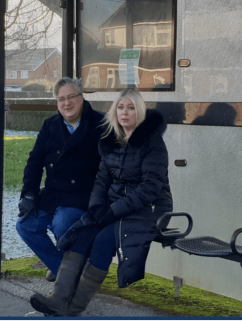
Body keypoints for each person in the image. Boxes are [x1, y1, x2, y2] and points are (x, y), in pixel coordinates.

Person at [29, 88, 173, 316]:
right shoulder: (111, 141)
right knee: (83, 233)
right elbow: (102, 178)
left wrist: (113, 210)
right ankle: (58, 299)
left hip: (149, 210)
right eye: (120, 107)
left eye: (131, 108)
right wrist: (97, 205)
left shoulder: (153, 144)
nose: (125, 113)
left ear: (140, 112)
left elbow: (150, 189)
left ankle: (73, 308)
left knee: (103, 240)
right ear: (115, 112)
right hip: (116, 208)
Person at [16, 77, 104, 282]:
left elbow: (108, 168)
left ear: (81, 98)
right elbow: (34, 162)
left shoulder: (99, 125)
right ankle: (63, 267)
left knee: (61, 223)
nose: (67, 103)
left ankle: (65, 275)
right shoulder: (50, 125)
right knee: (25, 226)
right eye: (61, 99)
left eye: (72, 97)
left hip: (84, 194)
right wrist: (29, 193)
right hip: (54, 193)